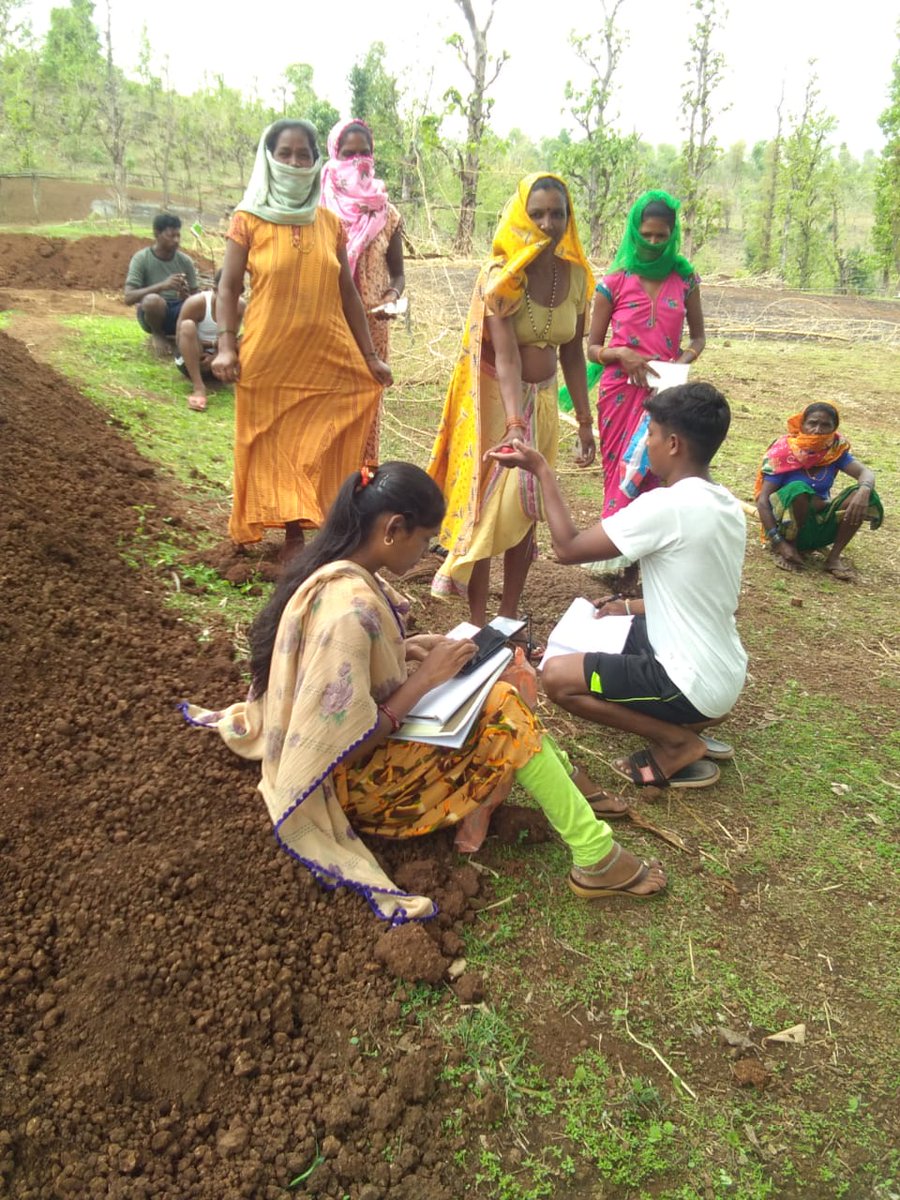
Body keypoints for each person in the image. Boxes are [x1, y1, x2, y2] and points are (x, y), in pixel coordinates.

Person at [183, 462, 666, 918]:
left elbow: (346, 671)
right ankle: (595, 854)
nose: (427, 554)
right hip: (359, 790)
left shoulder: (340, 573)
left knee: (501, 692)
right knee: (502, 711)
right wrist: (424, 679)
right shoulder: (348, 609)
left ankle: (576, 797)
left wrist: (408, 648)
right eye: (426, 540)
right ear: (393, 529)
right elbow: (346, 745)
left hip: (367, 761)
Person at [489, 382, 746, 790]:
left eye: (651, 433)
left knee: (557, 676)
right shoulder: (725, 503)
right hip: (723, 672)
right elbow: (707, 596)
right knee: (607, 627)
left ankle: (676, 742)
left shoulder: (667, 506)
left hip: (689, 685)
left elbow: (568, 547)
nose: (646, 442)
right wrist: (625, 608)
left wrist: (541, 470)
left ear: (674, 444)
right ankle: (688, 725)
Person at [211, 119, 392, 557]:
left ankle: (324, 520)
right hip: (268, 355)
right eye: (285, 153)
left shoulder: (329, 224)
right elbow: (229, 287)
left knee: (327, 426)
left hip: (326, 353)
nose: (295, 161)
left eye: (303, 153)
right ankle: (290, 528)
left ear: (316, 161)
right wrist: (225, 345)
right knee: (268, 438)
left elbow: (346, 292)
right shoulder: (247, 220)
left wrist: (370, 356)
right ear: (269, 159)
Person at [428, 173, 597, 635]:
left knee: (526, 512)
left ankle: (509, 616)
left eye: (557, 213)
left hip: (543, 404)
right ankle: (480, 622)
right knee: (493, 511)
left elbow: (572, 355)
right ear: (521, 215)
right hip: (498, 403)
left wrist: (584, 420)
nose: (547, 223)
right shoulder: (501, 278)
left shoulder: (578, 276)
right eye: (537, 213)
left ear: (569, 217)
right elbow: (504, 356)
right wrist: (514, 424)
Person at [587, 190, 705, 591]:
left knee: (658, 472)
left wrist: (680, 363)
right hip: (620, 391)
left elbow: (699, 340)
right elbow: (591, 347)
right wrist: (622, 354)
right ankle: (617, 562)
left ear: (673, 234)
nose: (654, 243)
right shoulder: (614, 282)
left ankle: (645, 563)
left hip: (666, 394)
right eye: (648, 235)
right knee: (621, 470)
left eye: (663, 236)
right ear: (635, 232)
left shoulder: (685, 279)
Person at [320, 118, 405, 459]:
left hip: (373, 325)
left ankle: (362, 484)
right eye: (348, 153)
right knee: (328, 406)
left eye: (365, 153)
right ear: (333, 154)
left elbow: (397, 274)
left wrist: (393, 296)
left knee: (367, 408)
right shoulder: (319, 211)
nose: (358, 161)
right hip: (329, 321)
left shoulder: (387, 213)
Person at [755, 402, 882, 581]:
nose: (817, 430)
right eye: (812, 423)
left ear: (834, 428)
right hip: (786, 527)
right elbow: (762, 500)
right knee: (797, 489)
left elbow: (865, 473)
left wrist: (864, 491)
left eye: (825, 425)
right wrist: (778, 542)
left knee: (865, 495)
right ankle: (791, 547)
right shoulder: (783, 452)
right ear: (802, 425)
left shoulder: (834, 450)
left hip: (820, 523)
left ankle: (833, 558)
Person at [124, 213, 198, 356]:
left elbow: (196, 296)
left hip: (178, 310)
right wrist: (162, 286)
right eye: (171, 236)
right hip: (151, 315)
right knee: (153, 300)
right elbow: (128, 298)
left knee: (200, 304)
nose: (176, 240)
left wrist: (186, 297)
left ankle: (183, 338)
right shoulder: (141, 258)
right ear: (157, 234)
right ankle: (157, 334)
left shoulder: (185, 261)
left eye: (178, 236)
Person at [174, 270, 246, 412]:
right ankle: (198, 387)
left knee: (247, 337)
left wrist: (217, 356)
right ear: (215, 289)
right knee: (187, 326)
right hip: (193, 360)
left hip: (221, 361)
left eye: (239, 290)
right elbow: (180, 338)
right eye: (228, 290)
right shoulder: (196, 303)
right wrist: (206, 347)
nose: (233, 296)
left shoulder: (240, 306)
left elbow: (235, 339)